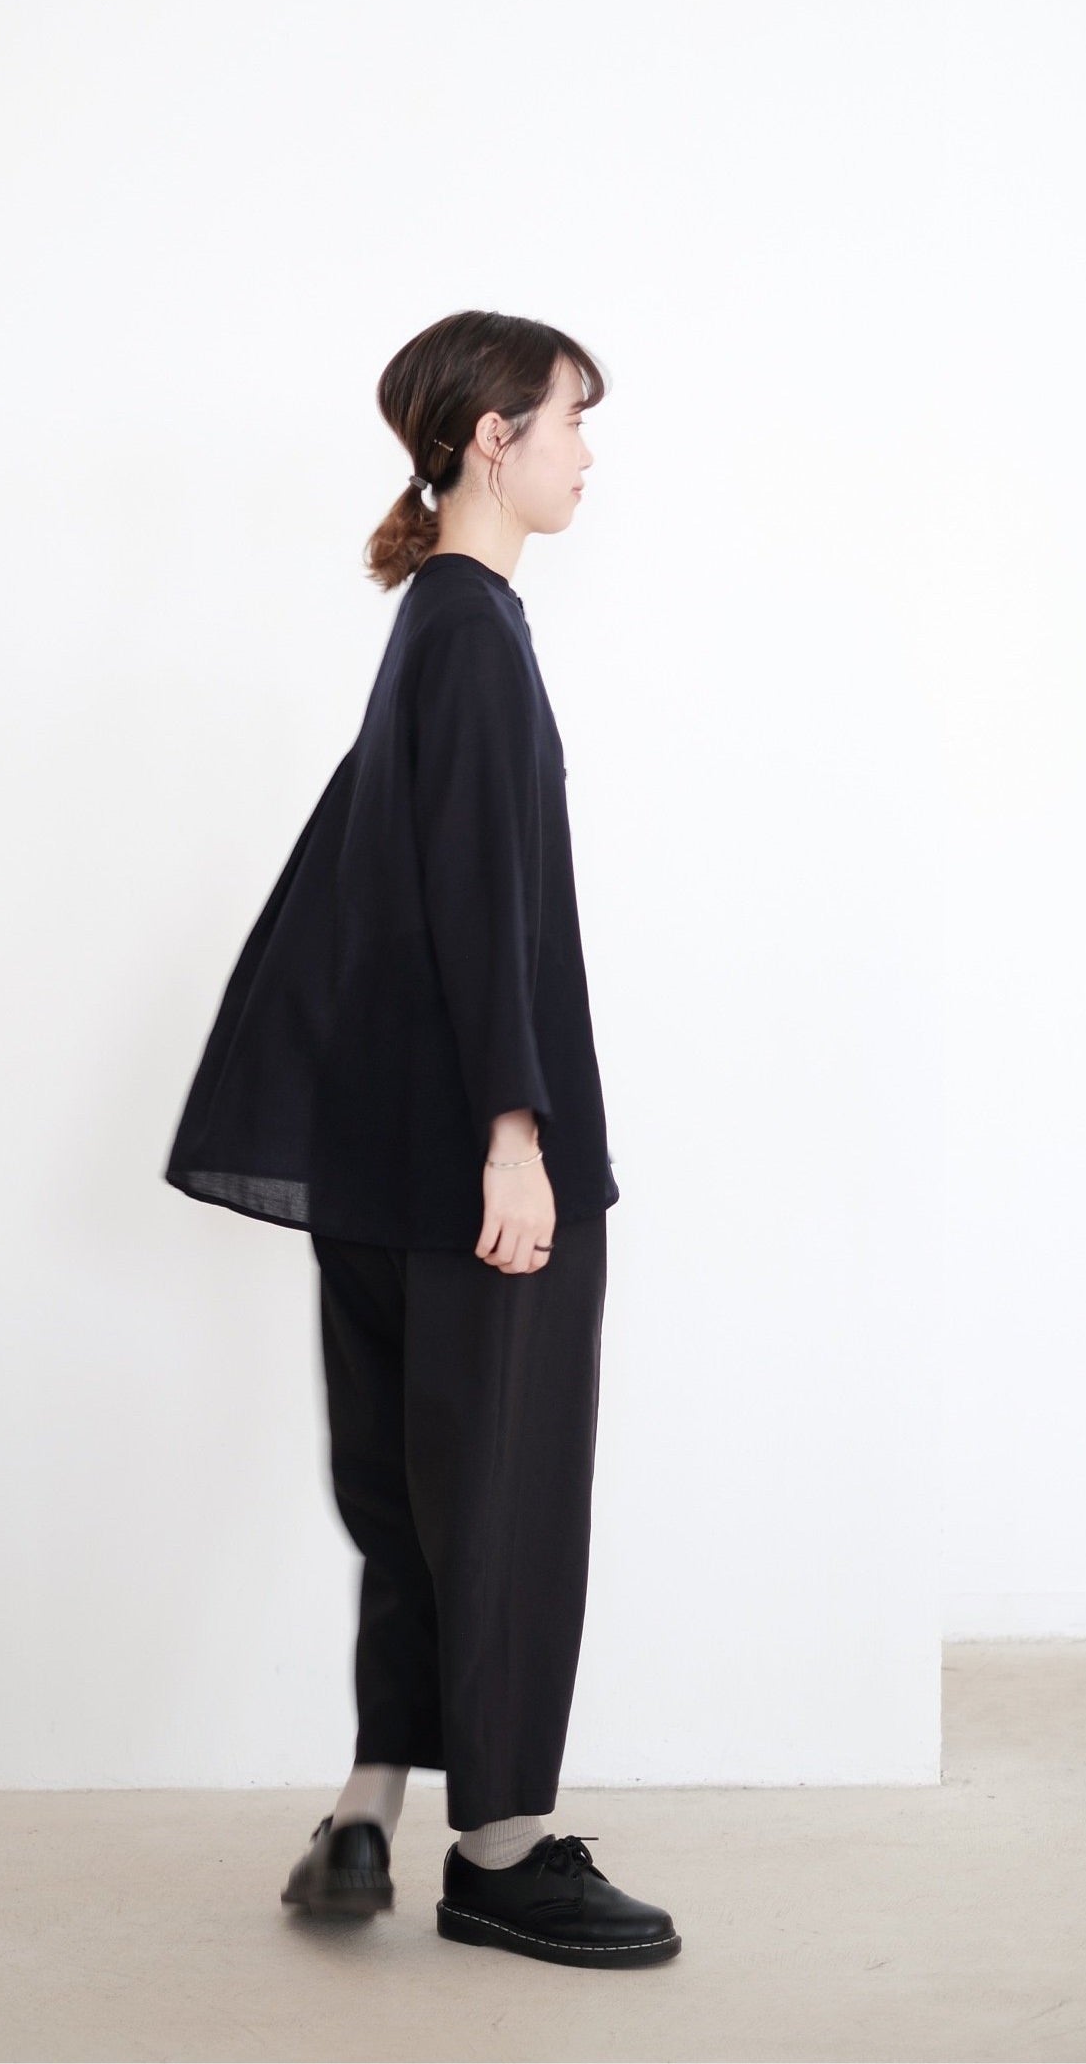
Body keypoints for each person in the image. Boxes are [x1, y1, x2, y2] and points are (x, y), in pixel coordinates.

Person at [164, 309, 680, 1968]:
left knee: (410, 1496)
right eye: (570, 422)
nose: (588, 455)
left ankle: (369, 1807)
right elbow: (478, 904)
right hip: (473, 1163)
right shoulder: (471, 633)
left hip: (383, 1158)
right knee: (501, 1499)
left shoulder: (432, 627)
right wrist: (515, 1136)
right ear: (490, 439)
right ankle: (504, 1856)